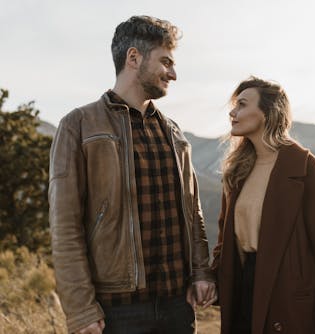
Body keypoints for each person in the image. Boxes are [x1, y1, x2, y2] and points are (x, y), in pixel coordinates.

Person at [48, 16, 216, 334]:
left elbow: (193, 215)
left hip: (178, 308)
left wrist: (201, 272)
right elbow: (65, 226)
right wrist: (81, 309)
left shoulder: (174, 133)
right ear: (134, 57)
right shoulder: (78, 125)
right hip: (116, 311)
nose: (174, 74)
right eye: (166, 61)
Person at [211, 76, 315, 334]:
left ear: (268, 113)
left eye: (242, 105)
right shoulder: (237, 171)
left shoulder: (304, 168)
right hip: (244, 292)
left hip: (288, 300)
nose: (233, 112)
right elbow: (225, 242)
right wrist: (210, 279)